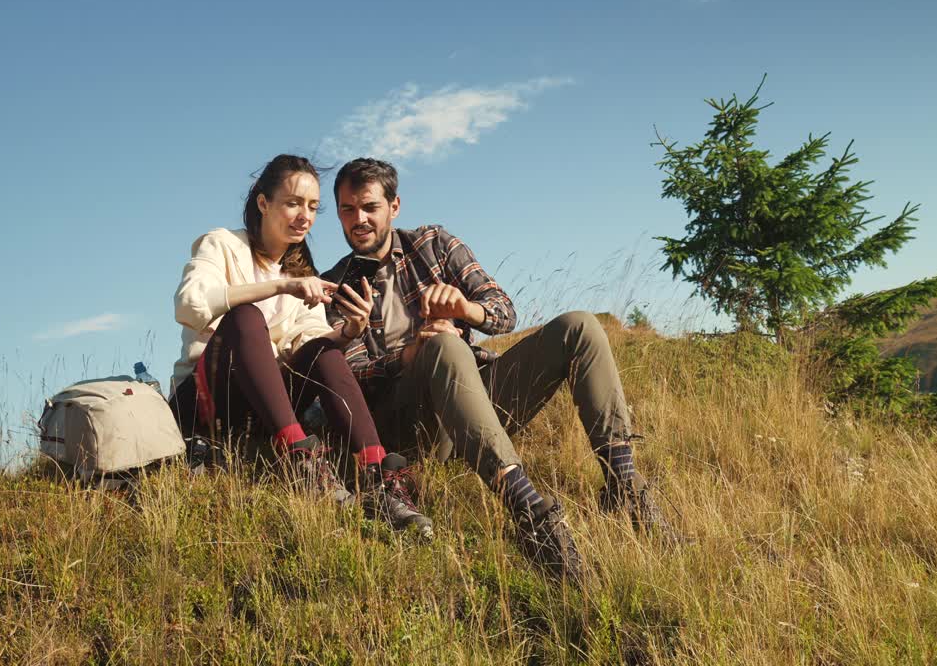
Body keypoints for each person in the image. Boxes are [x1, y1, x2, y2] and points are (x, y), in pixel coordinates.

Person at [323, 158, 688, 580]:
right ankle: (530, 514)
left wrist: (467, 310)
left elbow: (504, 312)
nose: (359, 219)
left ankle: (625, 487)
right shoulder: (336, 284)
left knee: (579, 327)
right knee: (441, 343)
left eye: (369, 206)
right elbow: (347, 375)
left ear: (395, 206)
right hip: (411, 425)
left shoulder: (434, 244)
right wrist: (408, 355)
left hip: (476, 394)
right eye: (347, 210)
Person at [169, 154, 432, 537]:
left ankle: (378, 478)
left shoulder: (300, 274)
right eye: (293, 203)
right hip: (205, 404)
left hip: (259, 409)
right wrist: (278, 287)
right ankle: (301, 462)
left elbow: (309, 347)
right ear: (264, 203)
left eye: (312, 207)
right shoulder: (222, 244)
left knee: (324, 351)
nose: (304, 216)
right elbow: (189, 304)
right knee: (245, 317)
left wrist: (349, 332)